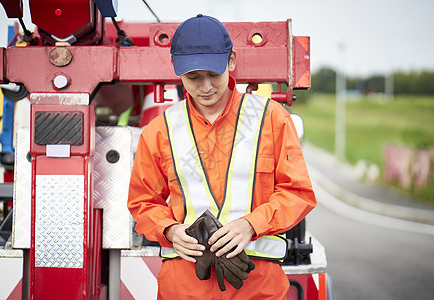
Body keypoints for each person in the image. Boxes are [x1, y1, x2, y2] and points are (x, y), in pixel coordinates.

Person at [127, 14, 317, 299]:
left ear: (231, 61)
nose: (205, 87)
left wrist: (250, 225)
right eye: (193, 77)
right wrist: (169, 230)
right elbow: (142, 202)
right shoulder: (159, 131)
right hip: (184, 287)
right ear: (176, 69)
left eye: (213, 75)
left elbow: (298, 193)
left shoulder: (272, 119)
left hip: (258, 287)